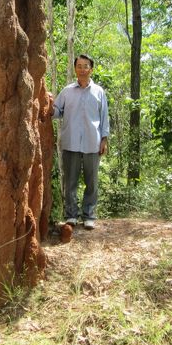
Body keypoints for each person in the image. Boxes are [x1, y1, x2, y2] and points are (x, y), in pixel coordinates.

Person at [50, 54, 110, 230]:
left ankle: (89, 215)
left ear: (91, 69)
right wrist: (45, 105)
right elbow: (56, 111)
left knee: (92, 181)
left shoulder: (99, 92)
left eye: (86, 66)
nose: (82, 69)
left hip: (93, 142)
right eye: (79, 66)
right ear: (75, 68)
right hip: (71, 142)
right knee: (70, 182)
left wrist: (104, 139)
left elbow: (104, 117)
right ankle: (71, 216)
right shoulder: (67, 91)